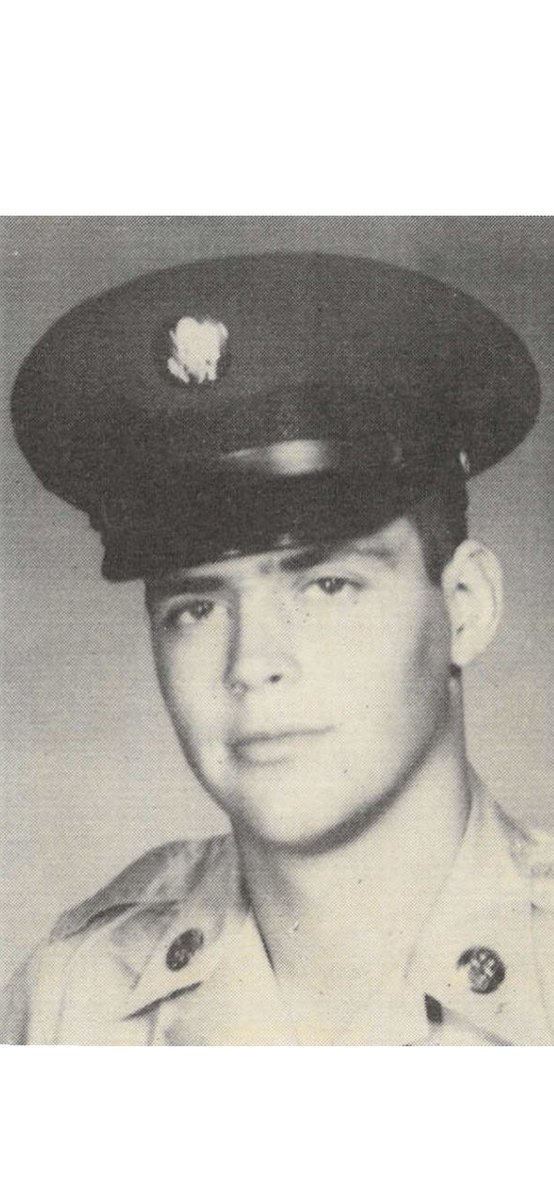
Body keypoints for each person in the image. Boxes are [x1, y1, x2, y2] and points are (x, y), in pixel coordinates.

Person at [2, 251, 553, 1045]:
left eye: (327, 586)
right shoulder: (71, 1002)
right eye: (196, 607)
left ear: (466, 606)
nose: (252, 663)